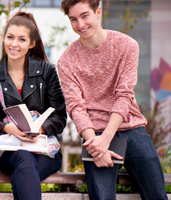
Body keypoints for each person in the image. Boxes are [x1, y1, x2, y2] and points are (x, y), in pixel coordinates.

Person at [57, 1, 168, 199]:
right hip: (93, 132)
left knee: (157, 195)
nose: (80, 24)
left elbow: (124, 94)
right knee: (102, 197)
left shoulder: (127, 45)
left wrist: (105, 140)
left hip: (131, 127)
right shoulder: (66, 61)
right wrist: (96, 146)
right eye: (73, 19)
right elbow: (75, 107)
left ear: (98, 12)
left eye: (85, 16)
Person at [0, 12, 67, 200]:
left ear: (31, 44)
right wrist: (7, 127)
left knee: (23, 173)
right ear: (3, 38)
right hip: (10, 149)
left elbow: (60, 116)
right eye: (10, 37)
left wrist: (42, 128)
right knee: (24, 159)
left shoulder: (47, 70)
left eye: (21, 39)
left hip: (45, 149)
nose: (14, 44)